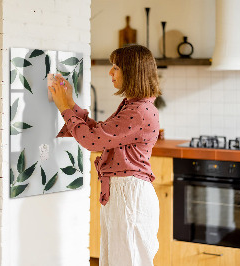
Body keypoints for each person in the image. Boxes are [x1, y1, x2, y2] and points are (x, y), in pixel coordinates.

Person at [48, 44, 161, 266]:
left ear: (132, 71)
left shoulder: (138, 111)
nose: (110, 72)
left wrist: (64, 108)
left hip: (129, 195)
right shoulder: (134, 106)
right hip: (123, 193)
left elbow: (92, 141)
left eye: (116, 67)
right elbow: (100, 133)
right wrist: (70, 103)